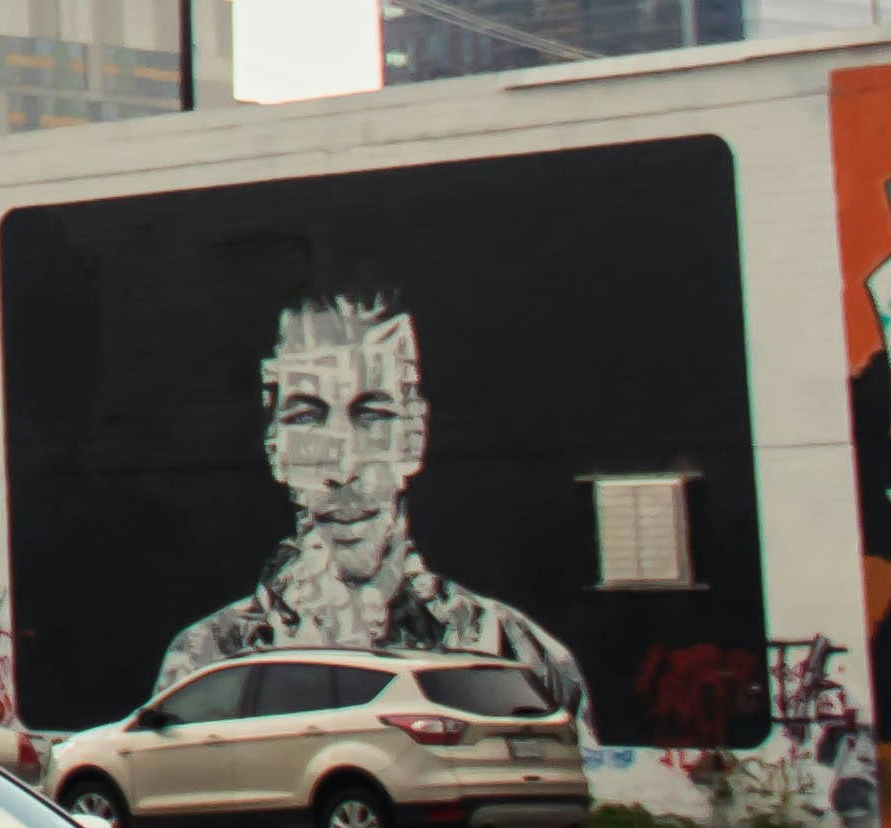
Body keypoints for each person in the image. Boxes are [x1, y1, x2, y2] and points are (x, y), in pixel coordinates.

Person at [154, 295, 585, 709]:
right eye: (305, 417)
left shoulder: (520, 655)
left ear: (414, 436)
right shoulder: (206, 659)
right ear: (274, 444)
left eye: (371, 415)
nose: (342, 469)